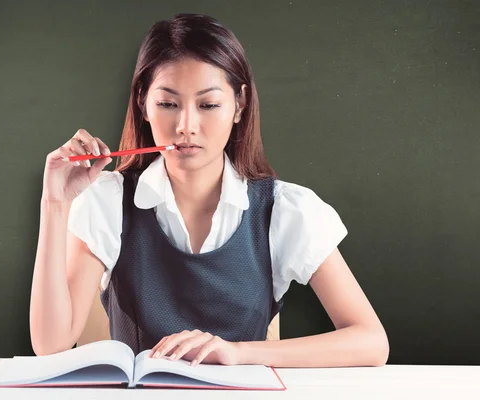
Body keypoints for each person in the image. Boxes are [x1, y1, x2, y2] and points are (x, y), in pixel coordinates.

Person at [29, 13, 389, 368]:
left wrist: (239, 352)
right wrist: (54, 203)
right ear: (142, 103)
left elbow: (371, 341)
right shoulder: (107, 201)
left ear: (240, 105)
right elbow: (51, 345)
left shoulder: (284, 209)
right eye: (168, 104)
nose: (186, 126)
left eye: (208, 105)